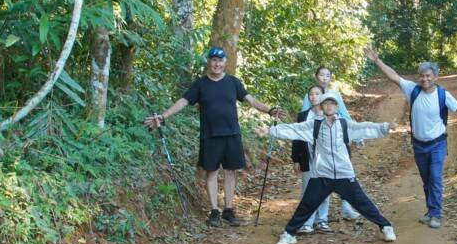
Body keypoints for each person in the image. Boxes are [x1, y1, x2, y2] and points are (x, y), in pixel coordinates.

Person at [146, 47, 287, 227]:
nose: (217, 64)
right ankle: (214, 211)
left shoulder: (233, 82)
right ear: (209, 62)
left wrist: (270, 110)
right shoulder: (200, 84)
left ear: (225, 62)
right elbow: (183, 101)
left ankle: (228, 210)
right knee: (211, 172)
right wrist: (163, 116)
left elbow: (251, 100)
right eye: (214, 60)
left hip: (232, 134)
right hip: (210, 135)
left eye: (220, 61)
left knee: (231, 172)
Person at [257, 92, 397, 244]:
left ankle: (386, 227)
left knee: (362, 203)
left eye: (332, 103)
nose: (329, 106)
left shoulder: (345, 124)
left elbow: (364, 127)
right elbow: (294, 129)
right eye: (326, 103)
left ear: (337, 106)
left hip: (344, 174)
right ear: (322, 107)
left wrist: (385, 127)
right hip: (322, 174)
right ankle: (289, 234)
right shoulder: (315, 125)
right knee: (307, 205)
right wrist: (270, 130)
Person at [363, 46, 457, 229]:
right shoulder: (413, 90)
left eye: (428, 76)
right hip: (419, 145)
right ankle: (430, 211)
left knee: (435, 178)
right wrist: (377, 60)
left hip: (437, 144)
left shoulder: (442, 95)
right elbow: (393, 76)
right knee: (426, 181)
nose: (425, 79)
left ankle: (436, 214)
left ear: (435, 77)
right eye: (422, 76)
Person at [299, 66, 361, 228]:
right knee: (317, 182)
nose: (324, 78)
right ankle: (309, 220)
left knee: (343, 173)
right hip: (316, 145)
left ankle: (345, 207)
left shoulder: (334, 94)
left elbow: (344, 114)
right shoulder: (311, 95)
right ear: (316, 76)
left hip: (336, 138)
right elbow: (304, 119)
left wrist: (355, 134)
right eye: (321, 75)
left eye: (327, 75)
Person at [292, 85, 330, 234]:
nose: (313, 96)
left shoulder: (329, 114)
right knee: (307, 190)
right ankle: (307, 222)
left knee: (324, 188)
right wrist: (296, 159)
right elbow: (296, 137)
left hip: (326, 159)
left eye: (317, 94)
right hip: (307, 157)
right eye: (311, 94)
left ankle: (322, 220)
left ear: (323, 96)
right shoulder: (303, 115)